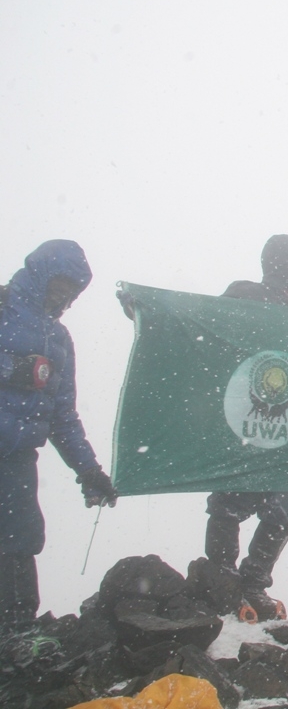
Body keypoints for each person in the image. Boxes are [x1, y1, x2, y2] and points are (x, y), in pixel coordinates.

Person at [0, 240, 118, 632]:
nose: (65, 296)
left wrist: (90, 472)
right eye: (60, 284)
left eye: (73, 290)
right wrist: (9, 369)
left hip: (16, 461)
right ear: (40, 275)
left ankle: (16, 634)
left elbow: (62, 418)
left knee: (21, 540)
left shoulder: (60, 340)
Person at [202, 235, 288, 620]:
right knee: (229, 504)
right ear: (279, 266)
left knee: (285, 505)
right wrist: (149, 311)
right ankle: (222, 580)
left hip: (281, 433)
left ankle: (252, 583)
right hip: (241, 427)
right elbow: (196, 327)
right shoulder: (242, 299)